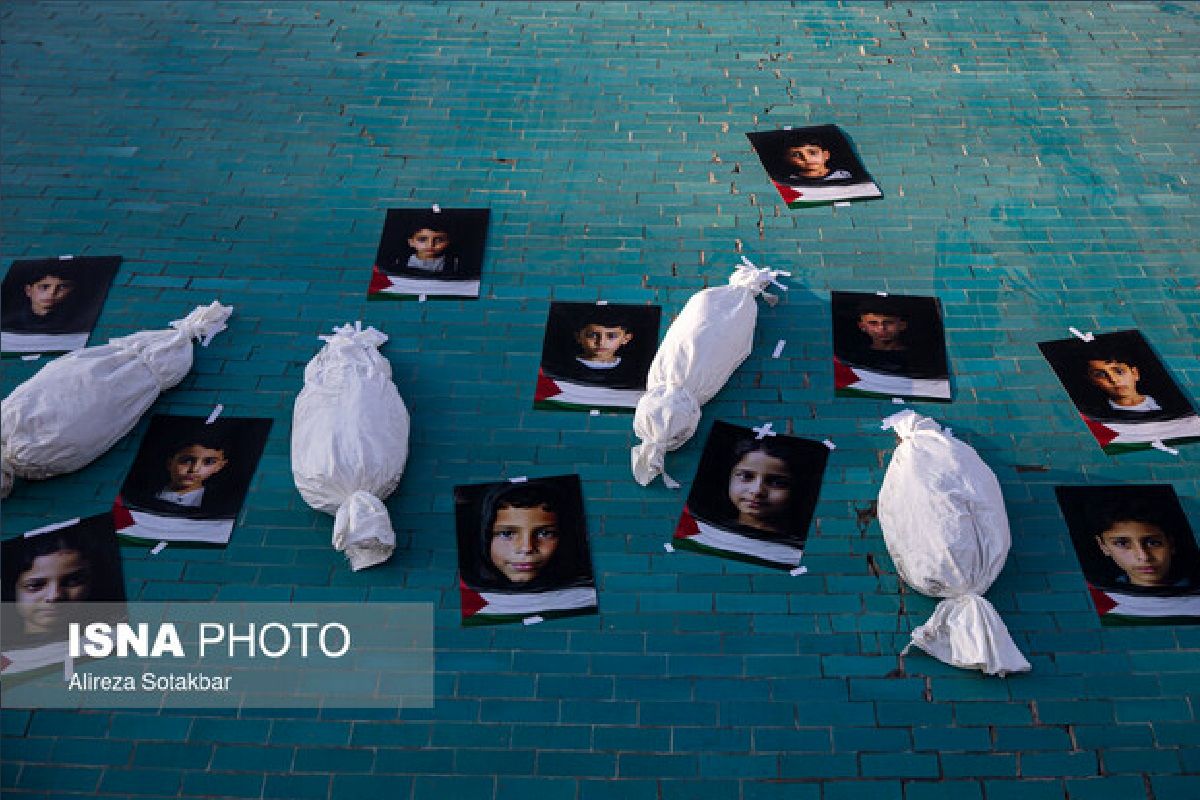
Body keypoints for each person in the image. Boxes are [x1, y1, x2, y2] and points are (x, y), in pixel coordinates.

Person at [474, 481, 588, 592]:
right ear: (485, 537)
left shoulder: (583, 596)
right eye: (507, 534)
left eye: (545, 534)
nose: (527, 548)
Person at [725, 439, 797, 536]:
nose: (757, 491)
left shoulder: (794, 547)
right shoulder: (709, 531)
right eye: (746, 476)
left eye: (777, 483)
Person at [1, 260, 81, 334]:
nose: (51, 293)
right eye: (44, 287)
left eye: (62, 287)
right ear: (28, 290)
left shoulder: (78, 322)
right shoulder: (10, 323)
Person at [1083, 347, 1160, 414]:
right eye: (1100, 375)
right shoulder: (1096, 413)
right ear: (1093, 381)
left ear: (1135, 373)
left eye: (1119, 371)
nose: (1113, 380)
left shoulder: (1161, 403)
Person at [381, 213, 460, 277]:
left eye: (439, 240)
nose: (430, 245)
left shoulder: (453, 263)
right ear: (411, 242)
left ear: (448, 242)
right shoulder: (401, 261)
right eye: (422, 239)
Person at [782, 135, 853, 183]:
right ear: (788, 159)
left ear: (825, 155)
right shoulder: (791, 180)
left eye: (813, 152)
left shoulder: (842, 175)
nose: (806, 158)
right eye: (796, 155)